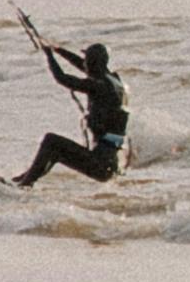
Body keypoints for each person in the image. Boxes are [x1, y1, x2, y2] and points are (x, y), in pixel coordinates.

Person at [13, 30, 130, 189]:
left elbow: (62, 78)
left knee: (51, 140)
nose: (84, 65)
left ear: (93, 64)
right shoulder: (113, 80)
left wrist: (49, 55)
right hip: (109, 164)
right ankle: (25, 179)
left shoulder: (97, 86)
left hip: (100, 165)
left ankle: (25, 183)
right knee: (54, 150)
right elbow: (81, 64)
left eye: (87, 61)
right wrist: (58, 49)